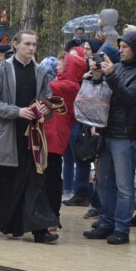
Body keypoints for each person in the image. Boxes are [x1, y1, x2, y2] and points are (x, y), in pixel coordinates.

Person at [0, 30, 60, 243]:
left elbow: (46, 99)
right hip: (6, 133)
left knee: (33, 181)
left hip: (31, 135)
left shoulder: (40, 71)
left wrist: (46, 108)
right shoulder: (2, 69)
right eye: (27, 44)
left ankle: (39, 228)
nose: (31, 48)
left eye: (34, 44)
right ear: (15, 44)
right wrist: (17, 111)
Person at [83, 31, 136, 244]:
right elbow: (103, 96)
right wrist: (96, 77)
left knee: (124, 186)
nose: (120, 50)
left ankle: (122, 228)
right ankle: (106, 223)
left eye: (125, 47)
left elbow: (130, 98)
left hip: (125, 135)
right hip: (107, 131)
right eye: (120, 46)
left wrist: (111, 75)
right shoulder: (118, 68)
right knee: (105, 183)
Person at [43, 53, 86, 230]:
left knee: (51, 177)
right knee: (50, 175)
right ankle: (50, 215)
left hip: (53, 135)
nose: (59, 65)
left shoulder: (67, 86)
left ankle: (51, 216)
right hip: (55, 133)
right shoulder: (70, 84)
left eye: (63, 63)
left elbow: (43, 88)